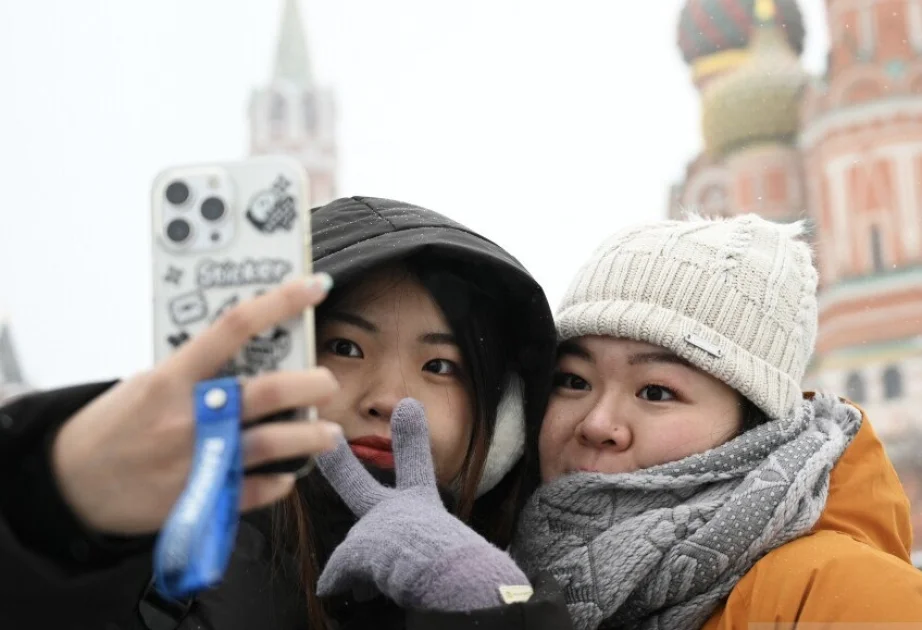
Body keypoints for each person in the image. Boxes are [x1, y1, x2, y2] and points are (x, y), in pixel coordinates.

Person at [314, 213, 922, 629]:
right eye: (573, 381)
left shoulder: (838, 594)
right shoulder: (522, 569)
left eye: (656, 390)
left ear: (754, 426)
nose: (599, 423)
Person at [0, 196, 565, 630]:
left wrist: (477, 600)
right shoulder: (149, 559)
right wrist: (56, 510)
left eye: (441, 366)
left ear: (502, 427)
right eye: (345, 348)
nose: (390, 399)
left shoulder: (546, 580)